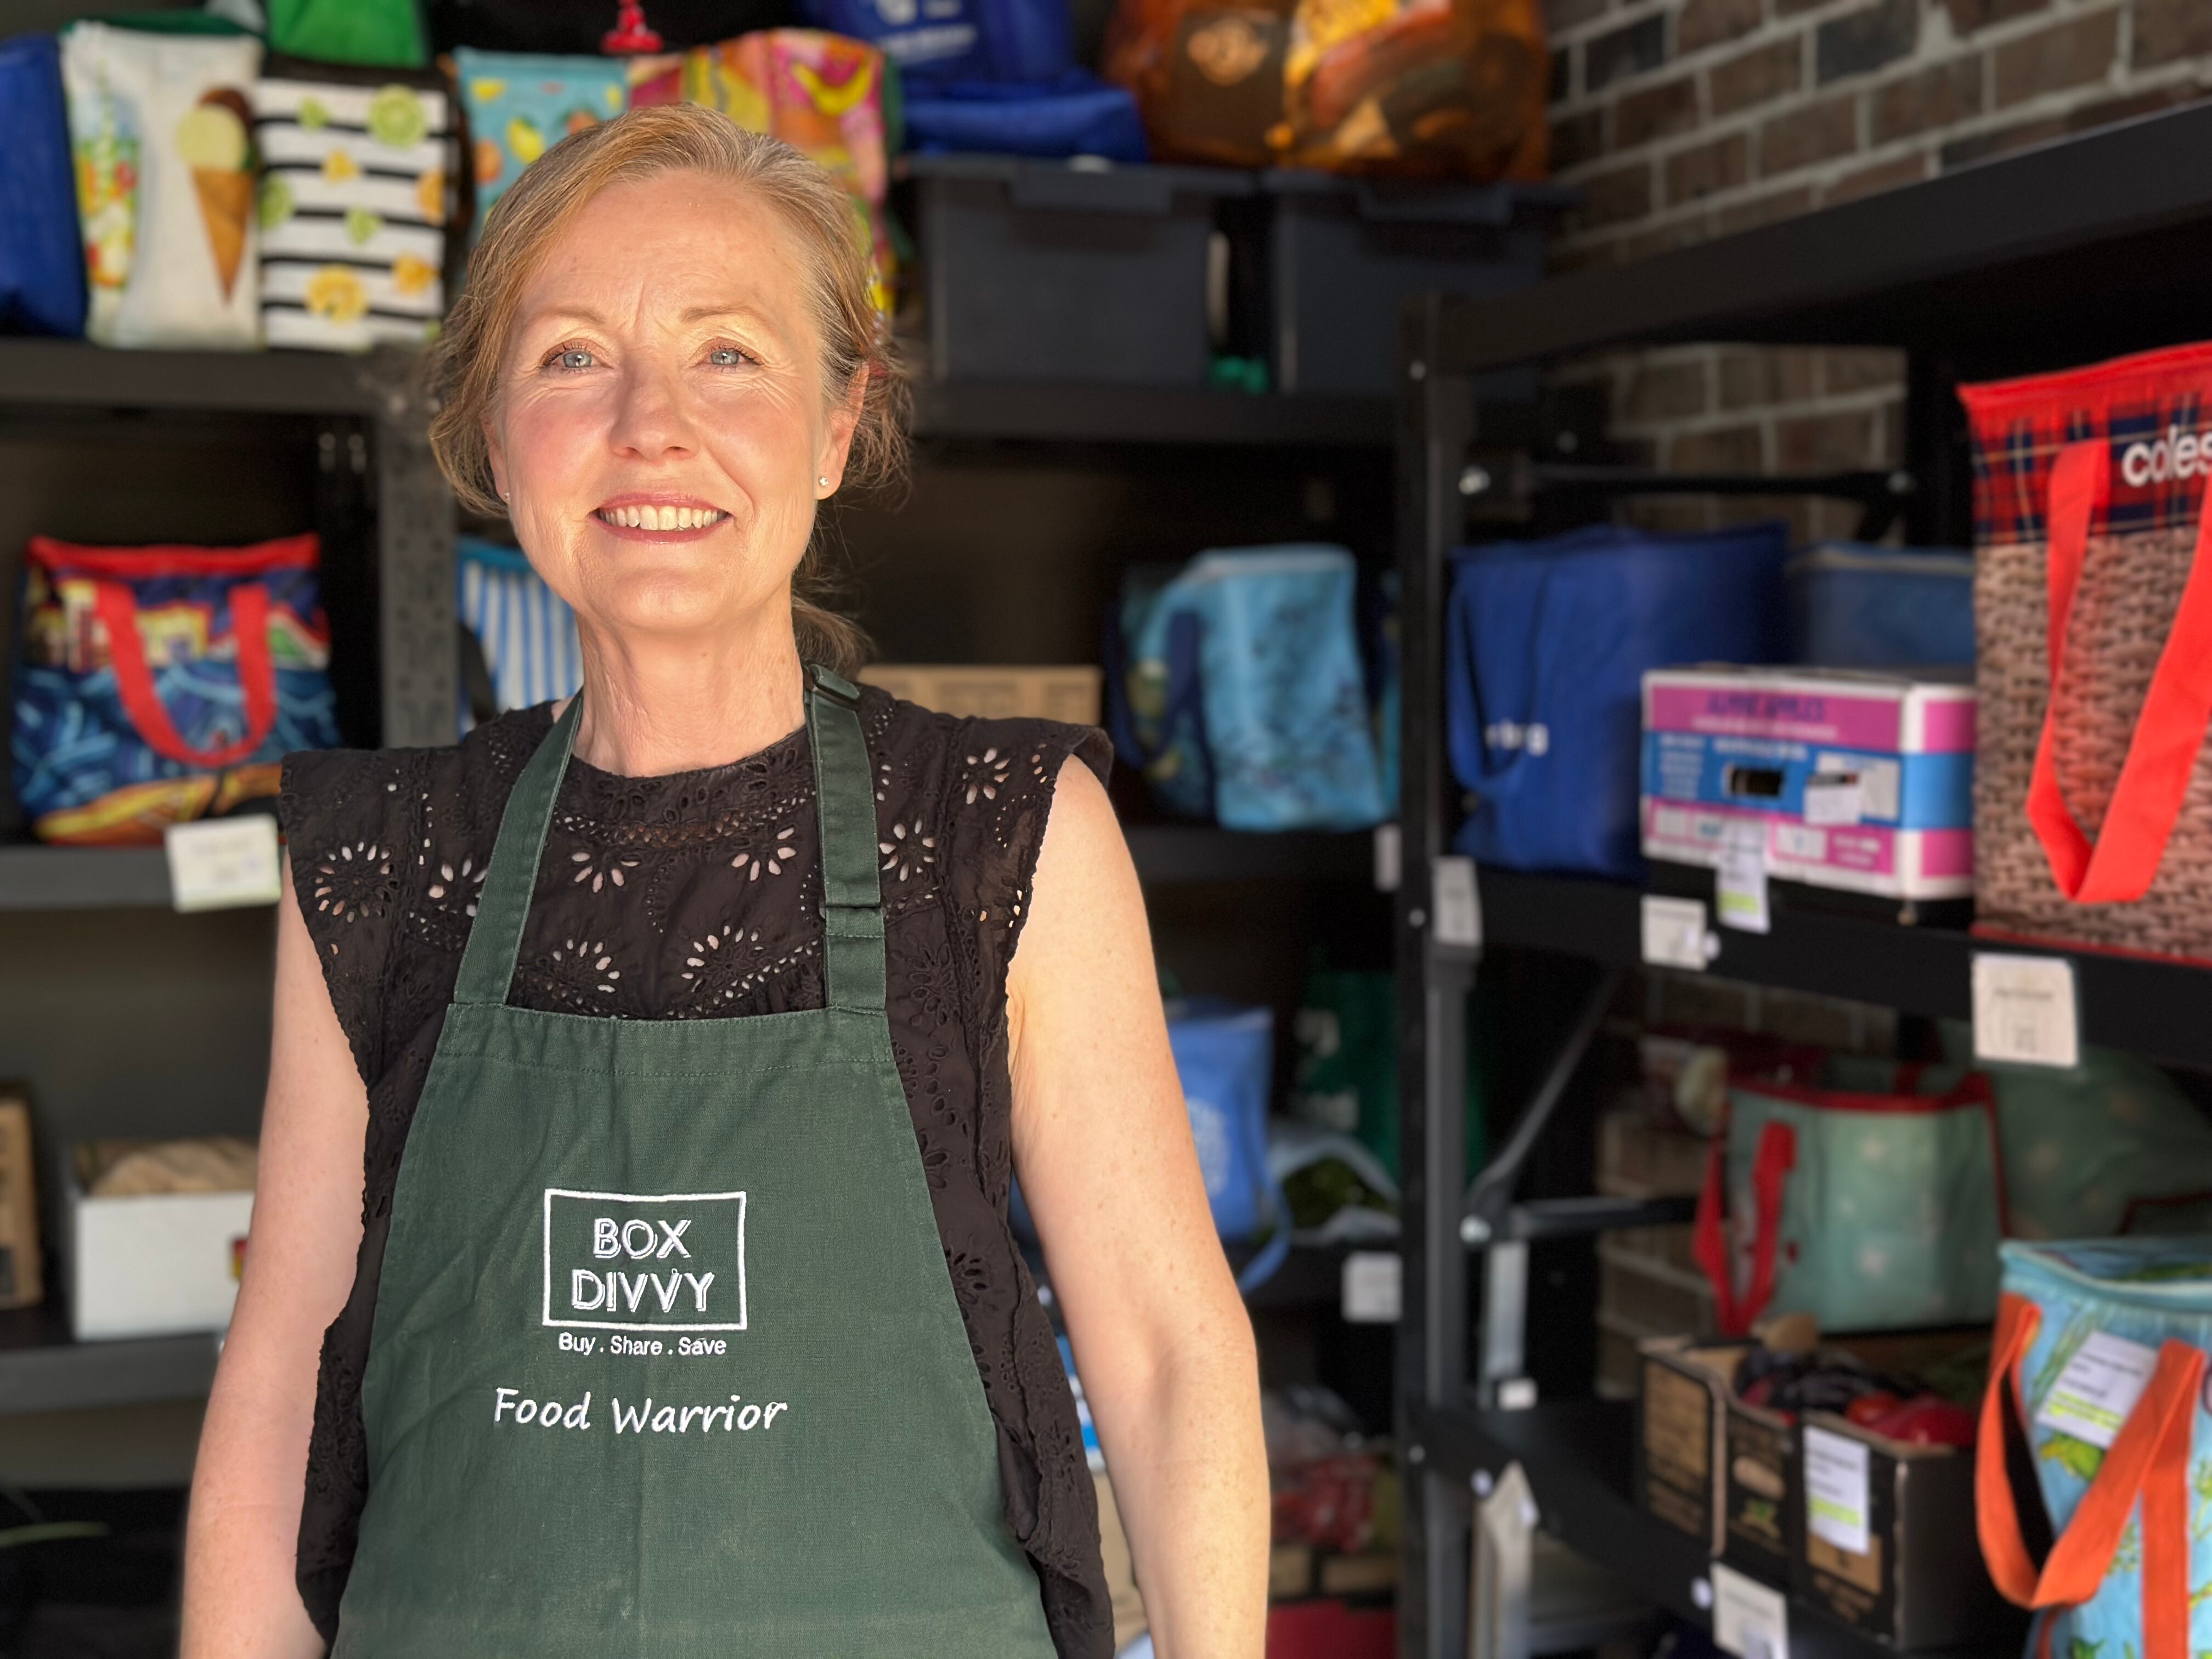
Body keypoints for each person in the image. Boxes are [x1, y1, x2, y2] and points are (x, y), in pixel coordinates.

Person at [180, 105, 1266, 1658]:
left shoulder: (1007, 834)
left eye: (730, 356)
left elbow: (1167, 1359)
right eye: (570, 358)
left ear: (837, 426)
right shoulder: (375, 854)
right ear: (496, 436)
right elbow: (285, 1365)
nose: (650, 426)